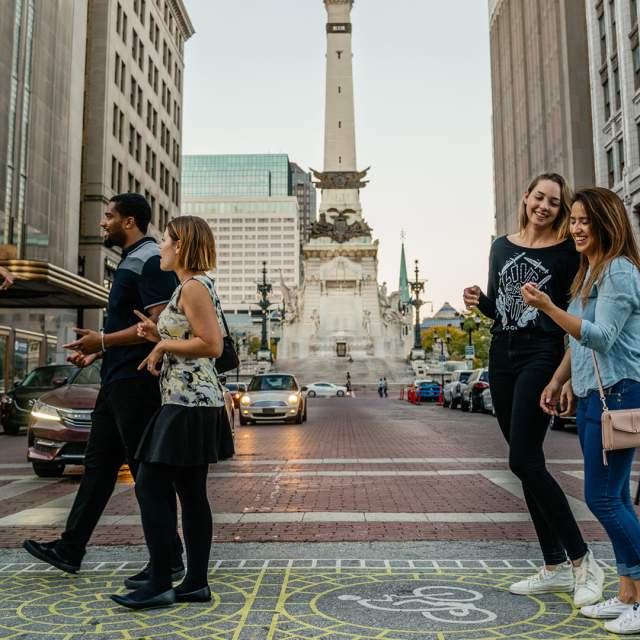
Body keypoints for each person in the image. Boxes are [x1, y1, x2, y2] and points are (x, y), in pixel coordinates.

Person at [22, 193, 184, 588]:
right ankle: (70, 549)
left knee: (147, 474)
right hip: (116, 382)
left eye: (108, 217)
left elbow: (160, 324)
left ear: (129, 222)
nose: (102, 223)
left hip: (136, 385)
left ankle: (169, 562)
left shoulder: (149, 260)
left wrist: (105, 342)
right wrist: (98, 352)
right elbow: (129, 327)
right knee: (98, 469)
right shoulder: (133, 260)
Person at [463, 173, 603, 607]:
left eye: (554, 203)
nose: (544, 206)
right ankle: (554, 565)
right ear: (525, 198)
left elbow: (567, 317)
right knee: (526, 463)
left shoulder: (566, 252)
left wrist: (561, 376)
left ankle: (583, 561)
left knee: (522, 458)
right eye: (539, 197)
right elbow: (501, 307)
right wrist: (478, 301)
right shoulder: (500, 246)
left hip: (540, 354)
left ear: (560, 211)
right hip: (501, 355)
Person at [523, 187, 640, 634]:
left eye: (585, 221)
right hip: (596, 394)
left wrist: (548, 307)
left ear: (607, 224)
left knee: (603, 497)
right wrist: (561, 380)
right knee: (618, 496)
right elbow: (578, 339)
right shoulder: (590, 273)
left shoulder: (620, 273)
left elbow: (601, 336)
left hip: (621, 391)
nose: (575, 228)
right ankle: (628, 594)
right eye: (572, 220)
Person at [111, 215, 234, 610]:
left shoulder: (194, 286)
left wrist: (163, 347)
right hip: (193, 401)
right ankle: (194, 583)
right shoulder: (192, 287)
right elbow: (194, 336)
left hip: (189, 401)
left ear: (180, 246)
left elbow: (212, 345)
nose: (160, 246)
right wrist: (158, 334)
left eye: (165, 240)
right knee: (190, 492)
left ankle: (161, 580)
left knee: (150, 483)